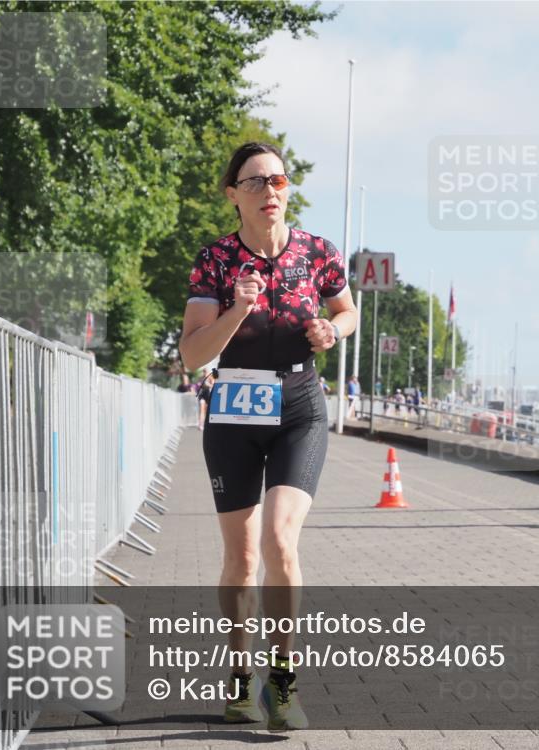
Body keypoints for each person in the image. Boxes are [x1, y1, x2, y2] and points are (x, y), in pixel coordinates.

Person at [178, 142, 357, 730]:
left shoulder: (317, 251)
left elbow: (348, 310)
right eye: (255, 183)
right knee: (243, 553)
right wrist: (234, 311)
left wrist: (333, 329)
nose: (271, 191)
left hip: (299, 404)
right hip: (232, 406)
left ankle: (281, 680)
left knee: (281, 541)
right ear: (233, 195)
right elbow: (192, 355)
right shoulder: (215, 261)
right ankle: (239, 675)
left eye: (278, 180)